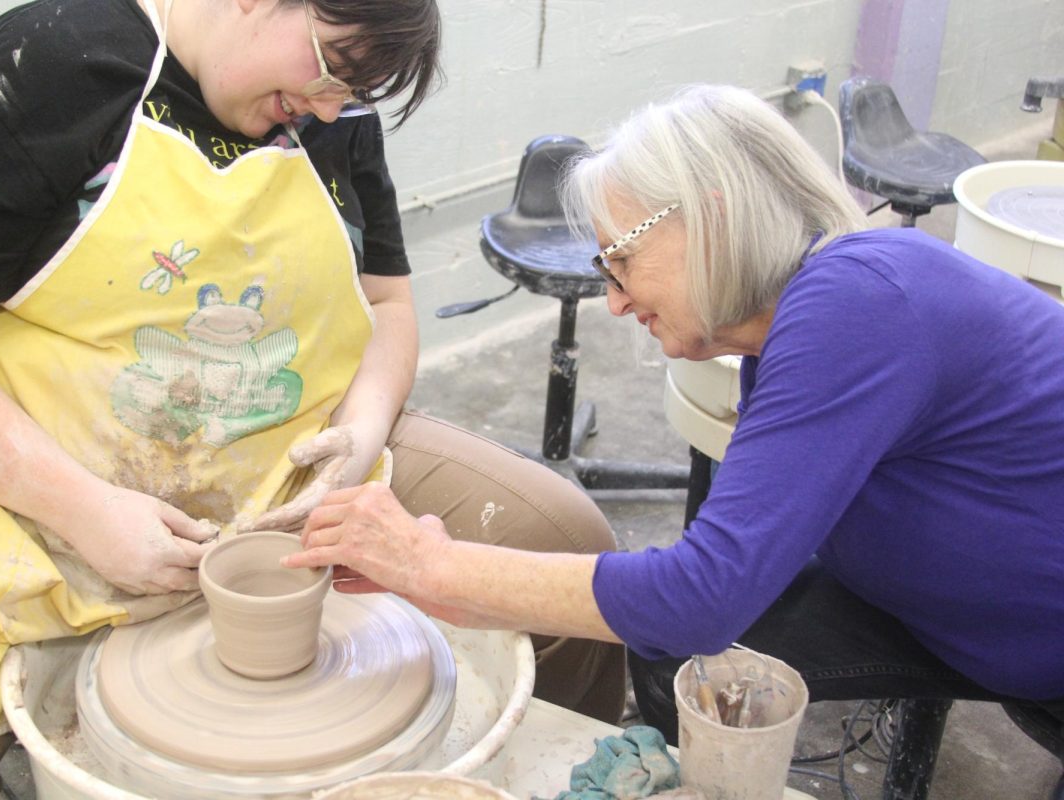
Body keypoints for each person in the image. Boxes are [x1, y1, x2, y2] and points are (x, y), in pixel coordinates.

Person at [0, 1, 627, 796]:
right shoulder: (51, 65)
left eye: (356, 92)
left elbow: (390, 308)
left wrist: (359, 437)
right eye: (332, 65)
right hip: (33, 468)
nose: (334, 107)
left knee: (563, 548)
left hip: (283, 463)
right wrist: (84, 509)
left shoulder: (334, 107)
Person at [286, 84, 1064, 759]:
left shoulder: (860, 304)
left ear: (711, 217)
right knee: (671, 666)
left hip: (1037, 638)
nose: (615, 302)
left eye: (620, 261)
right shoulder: (795, 322)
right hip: (936, 611)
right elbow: (705, 596)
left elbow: (701, 595)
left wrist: (432, 567)